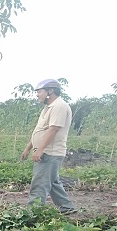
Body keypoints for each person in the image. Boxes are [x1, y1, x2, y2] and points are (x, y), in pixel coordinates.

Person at [20, 79, 76, 214]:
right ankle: (67, 207)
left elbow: (53, 129)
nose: (37, 95)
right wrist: (28, 148)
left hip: (50, 153)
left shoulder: (59, 107)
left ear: (50, 92)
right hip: (46, 152)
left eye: (39, 92)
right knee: (53, 183)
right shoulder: (48, 108)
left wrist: (40, 150)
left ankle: (33, 214)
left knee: (39, 184)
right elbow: (40, 130)